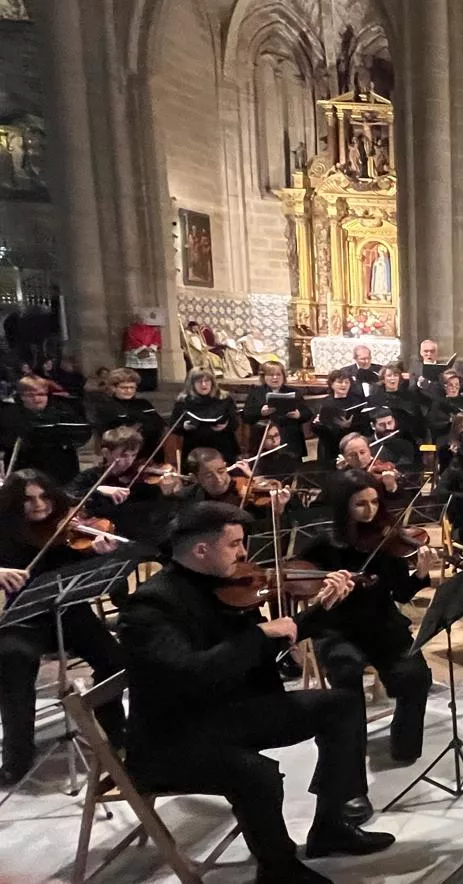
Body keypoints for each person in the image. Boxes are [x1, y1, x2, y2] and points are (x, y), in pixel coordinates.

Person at [118, 502, 393, 883]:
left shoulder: (227, 584)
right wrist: (260, 634)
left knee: (340, 706)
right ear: (202, 550)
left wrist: (317, 612)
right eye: (235, 544)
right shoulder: (151, 605)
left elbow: (267, 648)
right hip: (174, 736)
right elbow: (191, 672)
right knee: (257, 773)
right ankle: (278, 869)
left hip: (228, 712)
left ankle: (330, 827)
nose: (245, 553)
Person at [297, 470, 436, 765]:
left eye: (374, 502)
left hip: (381, 626)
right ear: (343, 506)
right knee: (346, 674)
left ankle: (405, 745)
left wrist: (421, 575)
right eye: (361, 504)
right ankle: (351, 754)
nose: (370, 510)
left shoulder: (386, 539)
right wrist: (324, 586)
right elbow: (296, 579)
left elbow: (400, 594)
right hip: (336, 629)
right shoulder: (324, 544)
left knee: (417, 676)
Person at [0, 470, 125, 786]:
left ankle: (117, 735)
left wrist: (99, 557)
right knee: (14, 662)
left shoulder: (67, 525)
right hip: (20, 617)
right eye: (28, 499)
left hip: (68, 609)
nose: (39, 505)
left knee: (113, 657)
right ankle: (18, 756)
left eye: (44, 496)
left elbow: (99, 578)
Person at [0, 375, 88, 485]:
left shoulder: (62, 411)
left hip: (61, 471)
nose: (37, 399)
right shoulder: (8, 415)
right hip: (25, 470)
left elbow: (80, 435)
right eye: (30, 395)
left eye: (41, 394)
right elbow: (6, 442)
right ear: (21, 396)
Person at [89, 367, 167, 453]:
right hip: (120, 453)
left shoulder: (143, 404)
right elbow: (105, 434)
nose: (128, 391)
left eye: (132, 387)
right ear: (113, 388)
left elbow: (160, 424)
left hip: (149, 451)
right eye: (124, 388)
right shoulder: (106, 406)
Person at [243, 361, 310, 459]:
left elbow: (307, 413)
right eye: (271, 375)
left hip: (290, 440)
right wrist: (260, 412)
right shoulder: (255, 393)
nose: (275, 378)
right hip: (264, 440)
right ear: (263, 377)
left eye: (278, 374)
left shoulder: (294, 392)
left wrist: (298, 415)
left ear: (283, 376)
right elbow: (246, 416)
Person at [314, 369, 371, 467]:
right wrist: (317, 423)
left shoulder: (358, 401)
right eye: (340, 382)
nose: (344, 385)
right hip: (331, 444)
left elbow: (365, 424)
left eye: (346, 382)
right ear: (331, 384)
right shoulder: (325, 402)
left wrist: (349, 426)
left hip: (352, 443)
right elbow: (319, 431)